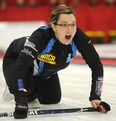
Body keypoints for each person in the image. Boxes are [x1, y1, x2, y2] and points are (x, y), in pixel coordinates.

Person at [2, 4, 107, 119]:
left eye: (73, 24)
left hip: (44, 69)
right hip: (16, 61)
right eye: (64, 25)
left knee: (53, 99)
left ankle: (27, 85)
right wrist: (21, 100)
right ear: (53, 26)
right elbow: (20, 67)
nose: (70, 29)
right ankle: (14, 86)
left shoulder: (78, 37)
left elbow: (96, 64)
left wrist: (96, 96)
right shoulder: (41, 37)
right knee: (29, 98)